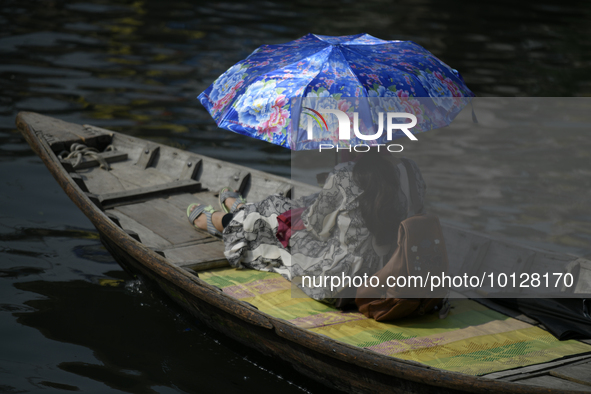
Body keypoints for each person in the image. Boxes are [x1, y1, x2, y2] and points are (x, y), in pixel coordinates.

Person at [187, 149, 426, 302]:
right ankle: (240, 212)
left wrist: (337, 177)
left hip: (342, 284)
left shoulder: (345, 173)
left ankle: (225, 219)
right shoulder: (410, 168)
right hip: (393, 272)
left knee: (276, 211)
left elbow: (314, 227)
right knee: (290, 208)